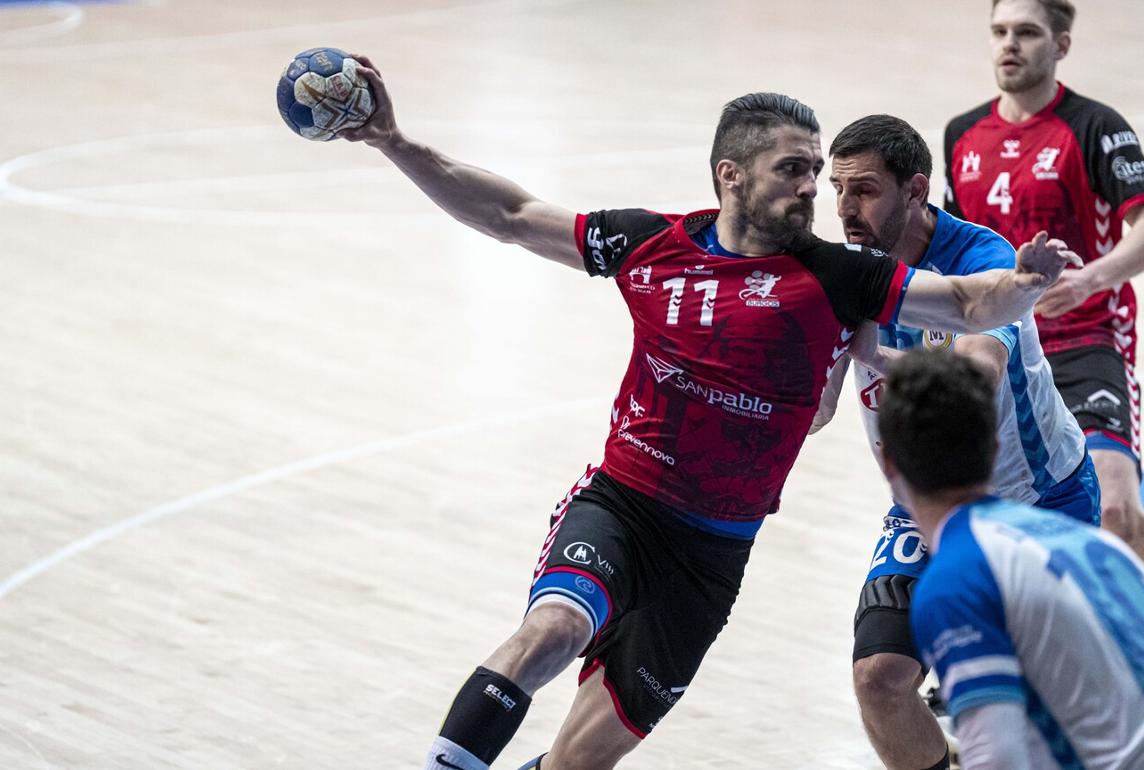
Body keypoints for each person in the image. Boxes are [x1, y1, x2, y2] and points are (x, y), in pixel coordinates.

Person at [337, 54, 1077, 770]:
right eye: (795, 170)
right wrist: (394, 143)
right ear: (732, 175)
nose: (814, 192)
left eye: (816, 174)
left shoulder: (839, 277)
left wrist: (1022, 282)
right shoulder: (651, 244)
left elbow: (970, 305)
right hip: (623, 506)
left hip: (714, 554)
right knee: (555, 628)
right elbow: (511, 214)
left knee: (578, 760)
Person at [808, 114, 1100, 770]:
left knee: (1042, 714)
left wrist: (881, 358)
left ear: (916, 190)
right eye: (837, 190)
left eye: (864, 191)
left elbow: (977, 370)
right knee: (878, 677)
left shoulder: (983, 260)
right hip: (928, 507)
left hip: (1041, 502)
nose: (845, 209)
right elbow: (817, 410)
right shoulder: (847, 274)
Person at [944, 0, 1144, 636]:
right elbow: (946, 246)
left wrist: (1091, 279)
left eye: (1026, 33)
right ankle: (1006, 650)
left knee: (1114, 505)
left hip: (1086, 341)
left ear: (1060, 44)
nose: (1009, 45)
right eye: (1000, 32)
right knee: (987, 510)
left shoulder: (1093, 126)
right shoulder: (962, 135)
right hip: (998, 346)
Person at [876, 348, 1144, 769]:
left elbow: (999, 758)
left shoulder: (957, 578)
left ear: (889, 463)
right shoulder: (1101, 547)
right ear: (995, 450)